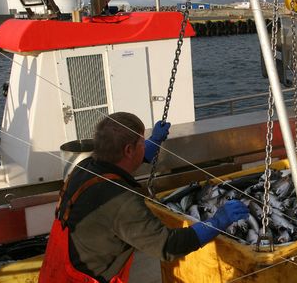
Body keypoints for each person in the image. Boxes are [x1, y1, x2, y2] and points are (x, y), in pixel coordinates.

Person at [39, 112, 249, 283]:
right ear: (129, 150)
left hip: (58, 269)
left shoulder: (87, 167)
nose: (144, 145)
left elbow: (127, 159)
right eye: (142, 142)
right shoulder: (120, 201)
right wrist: (218, 221)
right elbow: (169, 246)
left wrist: (154, 141)